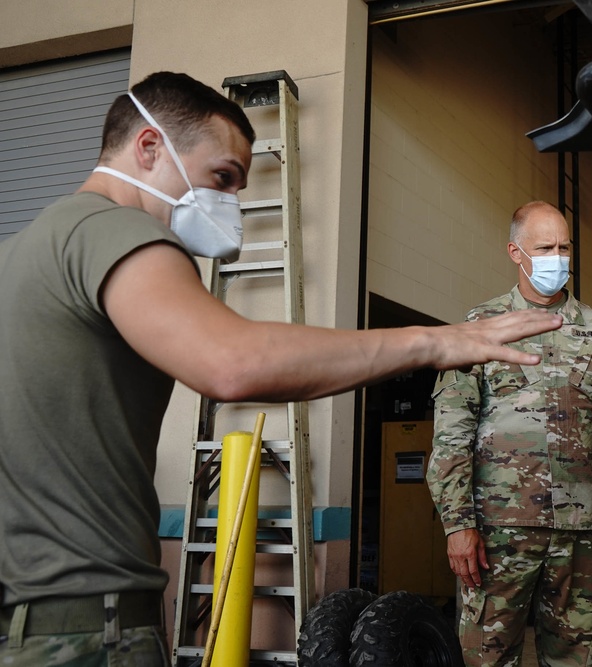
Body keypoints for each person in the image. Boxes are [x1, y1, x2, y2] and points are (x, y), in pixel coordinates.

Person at [0, 72, 563, 666]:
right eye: (222, 178)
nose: (230, 204)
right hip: (88, 625)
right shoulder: (116, 231)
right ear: (148, 147)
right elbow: (232, 363)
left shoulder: (20, 252)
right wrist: (437, 342)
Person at [426, 200, 592, 666]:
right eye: (545, 247)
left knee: (580, 658)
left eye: (565, 247)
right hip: (499, 531)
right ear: (515, 251)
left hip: (583, 532)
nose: (558, 257)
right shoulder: (481, 327)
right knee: (487, 658)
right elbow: (451, 433)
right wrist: (458, 523)